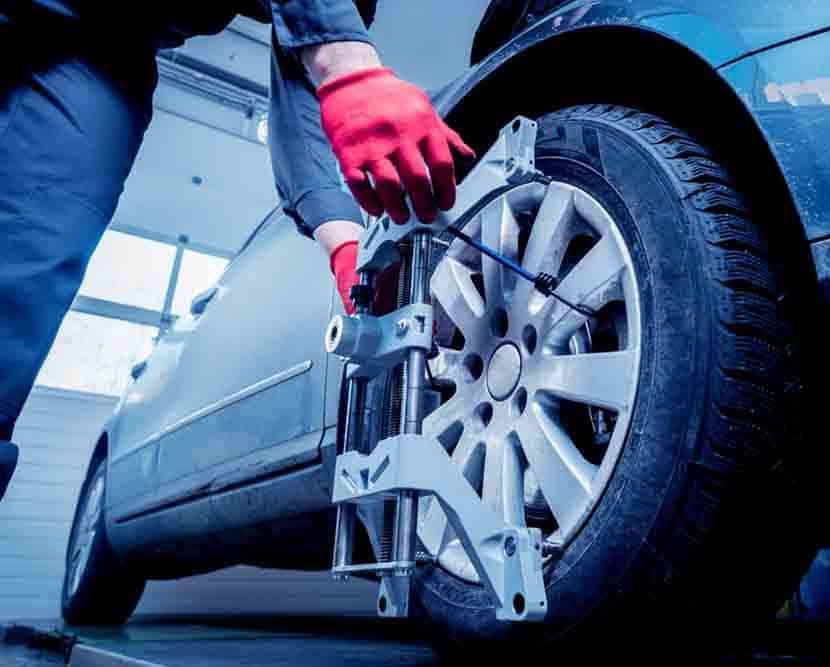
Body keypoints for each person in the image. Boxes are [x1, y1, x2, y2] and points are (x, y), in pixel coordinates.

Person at [0, 1, 475, 501]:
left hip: (107, 48)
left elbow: (301, 104)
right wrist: (347, 64)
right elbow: (325, 48)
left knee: (21, 282)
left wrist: (346, 247)